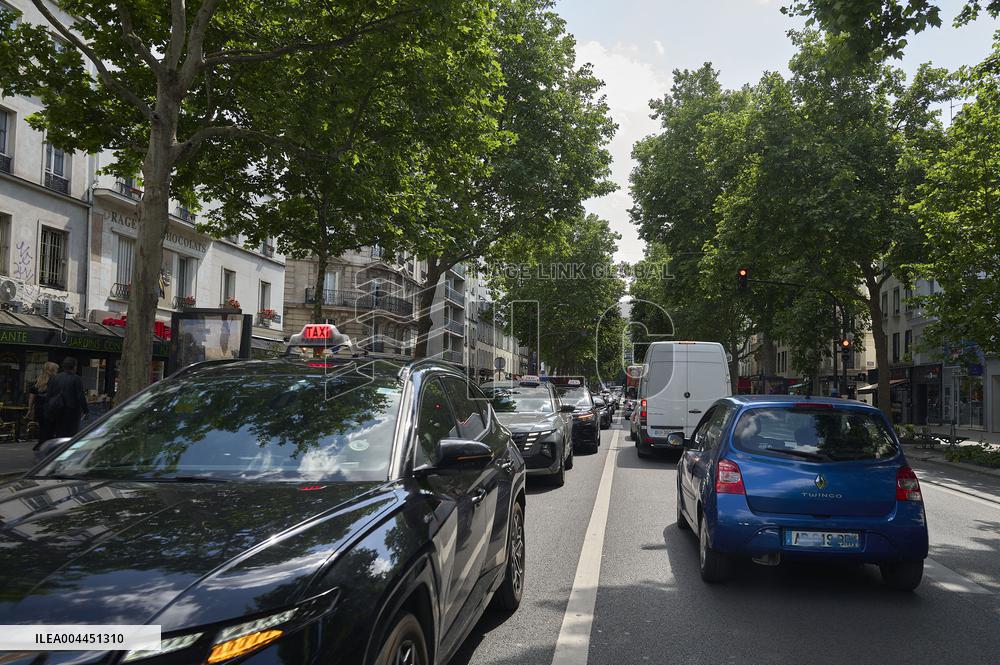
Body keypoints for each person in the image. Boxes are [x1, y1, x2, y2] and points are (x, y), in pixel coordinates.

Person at [45, 357, 89, 438]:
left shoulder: (55, 378)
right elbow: (80, 396)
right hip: (71, 410)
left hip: (57, 409)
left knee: (59, 432)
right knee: (71, 433)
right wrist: (86, 410)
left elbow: (49, 394)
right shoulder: (76, 379)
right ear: (74, 366)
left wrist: (49, 408)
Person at [28, 361, 59, 447]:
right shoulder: (55, 381)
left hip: (39, 409)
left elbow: (31, 397)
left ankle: (41, 443)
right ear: (53, 370)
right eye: (56, 370)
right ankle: (44, 445)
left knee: (42, 427)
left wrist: (29, 409)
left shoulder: (38, 381)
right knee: (49, 429)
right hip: (49, 409)